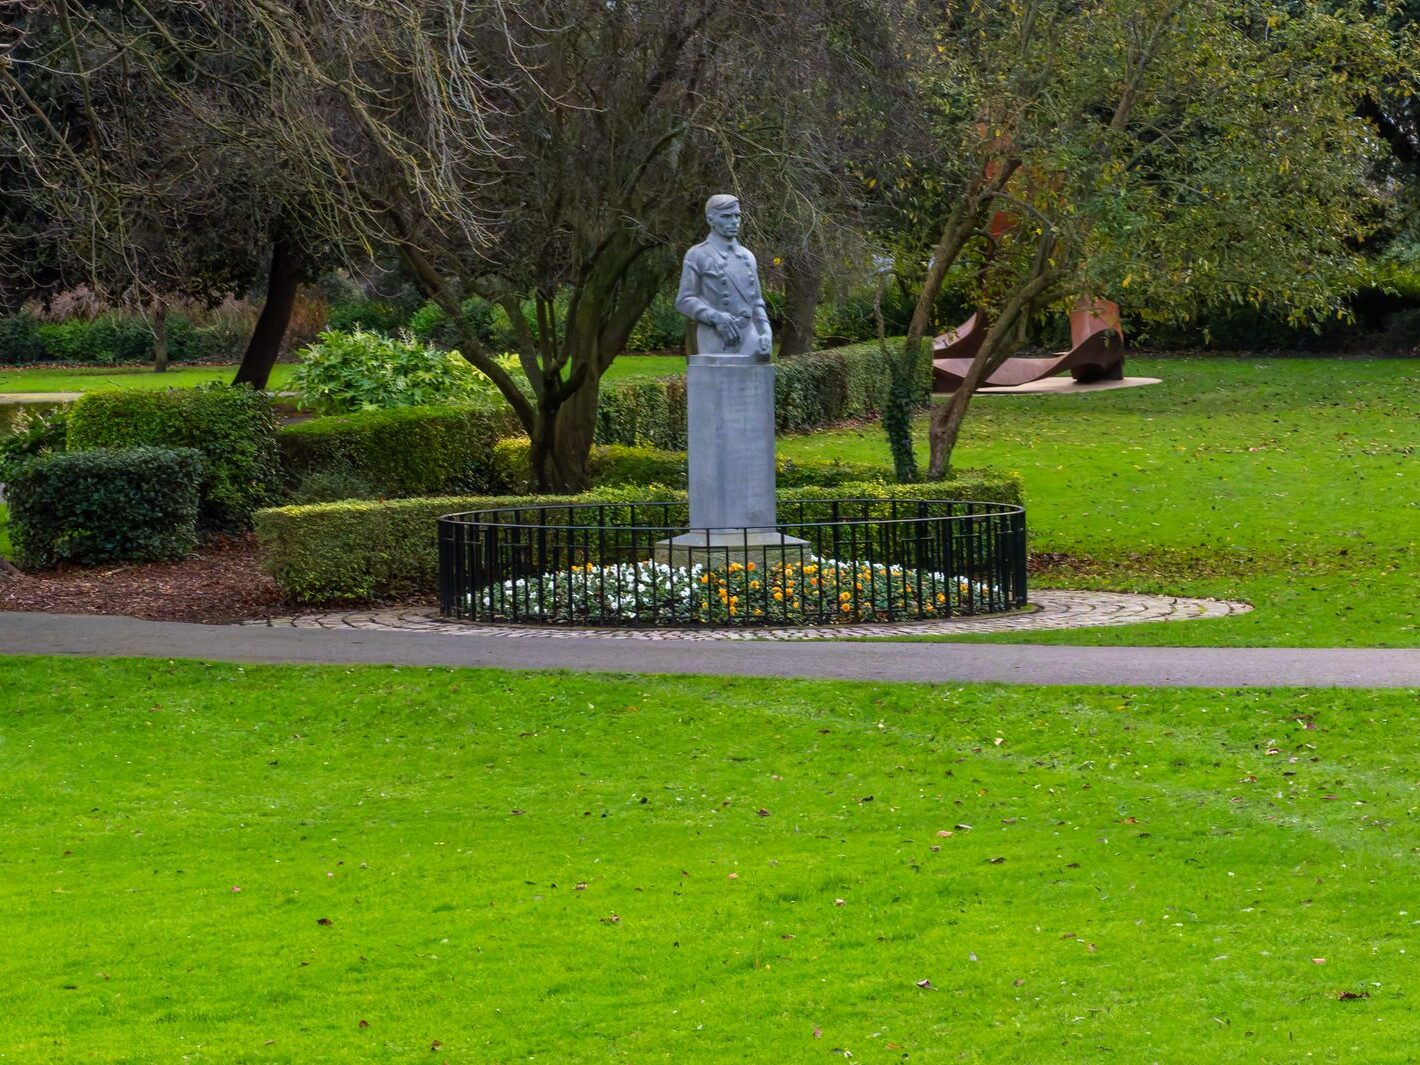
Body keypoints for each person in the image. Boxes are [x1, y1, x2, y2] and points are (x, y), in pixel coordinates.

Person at [675, 194, 773, 358]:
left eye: (737, 216)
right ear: (711, 220)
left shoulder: (748, 257)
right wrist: (716, 318)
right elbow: (684, 300)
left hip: (750, 336)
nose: (734, 221)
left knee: (756, 380)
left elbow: (757, 302)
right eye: (726, 216)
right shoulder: (697, 255)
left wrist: (765, 332)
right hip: (715, 338)